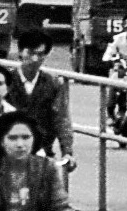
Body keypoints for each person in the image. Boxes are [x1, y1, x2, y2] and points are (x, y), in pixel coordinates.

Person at [4, 27, 76, 168]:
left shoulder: (53, 83)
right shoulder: (5, 82)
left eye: (40, 54)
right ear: (20, 52)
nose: (35, 59)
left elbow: (61, 118)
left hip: (42, 152)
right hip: (8, 152)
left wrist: (67, 152)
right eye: (30, 53)